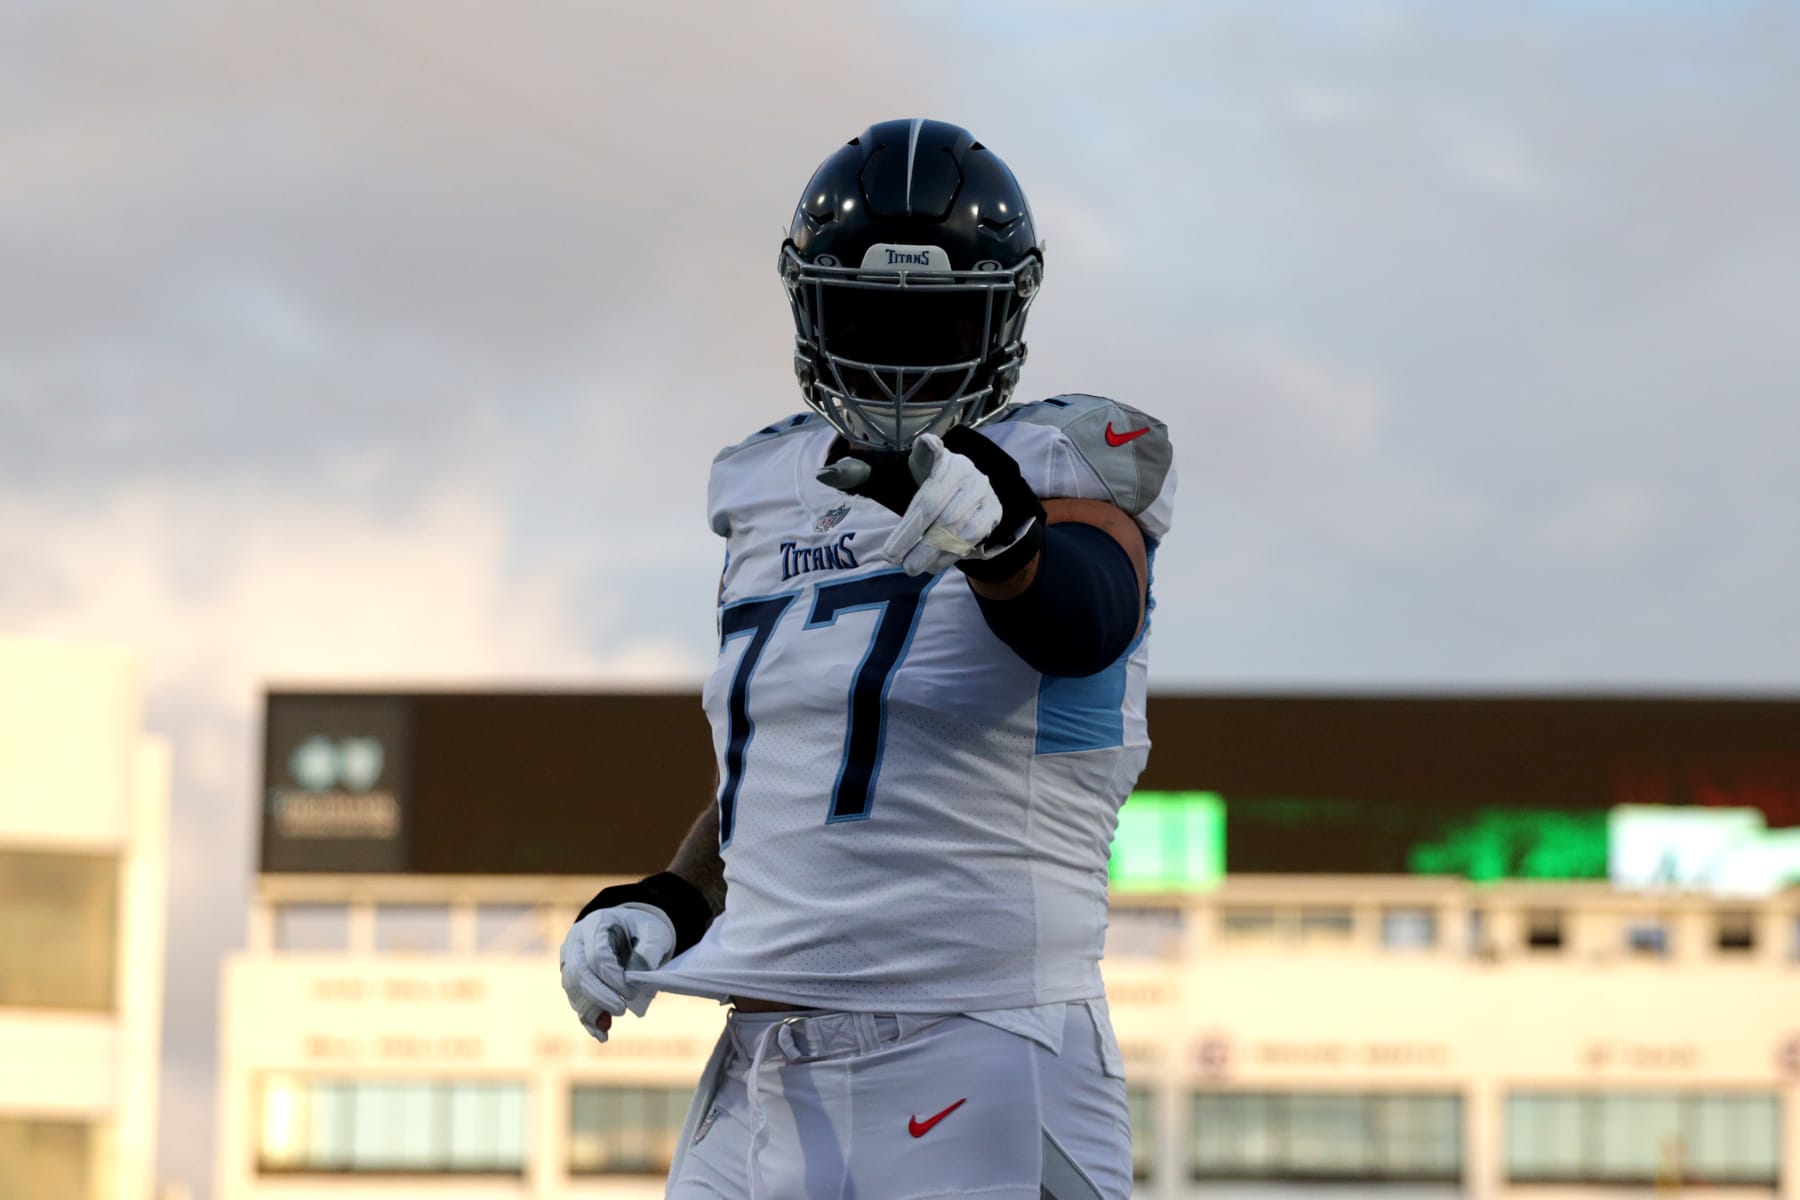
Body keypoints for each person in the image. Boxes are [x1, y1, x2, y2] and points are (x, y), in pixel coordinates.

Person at [560, 118, 1175, 1199]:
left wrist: (1007, 541)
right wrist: (672, 897)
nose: (896, 357)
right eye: (867, 315)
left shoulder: (1064, 457)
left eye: (931, 321)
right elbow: (791, 774)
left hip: (974, 1037)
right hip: (758, 1065)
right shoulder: (763, 480)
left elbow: (1088, 618)